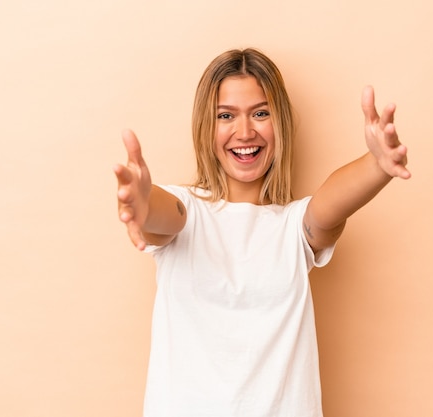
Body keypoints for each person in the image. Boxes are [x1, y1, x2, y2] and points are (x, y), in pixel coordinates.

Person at [113, 47, 410, 417]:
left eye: (260, 113)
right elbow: (165, 215)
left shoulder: (292, 227)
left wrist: (377, 165)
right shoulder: (185, 211)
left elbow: (328, 207)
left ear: (279, 122)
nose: (245, 131)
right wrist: (142, 204)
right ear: (206, 126)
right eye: (226, 116)